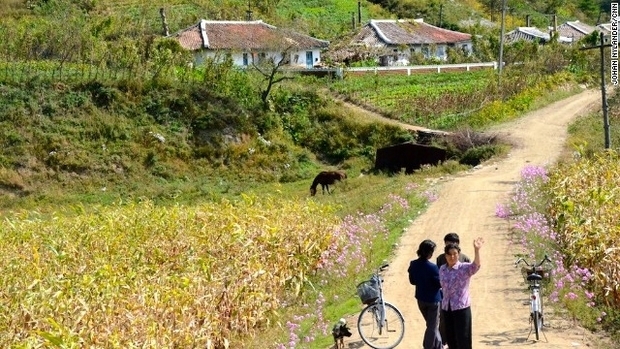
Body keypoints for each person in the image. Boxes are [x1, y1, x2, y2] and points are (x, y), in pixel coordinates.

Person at [439, 237, 484, 349]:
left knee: (463, 338)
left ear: (458, 254)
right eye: (449, 254)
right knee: (451, 338)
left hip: (461, 308)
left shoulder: (463, 268)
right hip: (447, 308)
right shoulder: (442, 269)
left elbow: (476, 266)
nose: (452, 257)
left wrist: (477, 250)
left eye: (454, 254)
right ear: (445, 256)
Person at [436, 232, 471, 348]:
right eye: (448, 242)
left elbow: (471, 270)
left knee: (462, 333)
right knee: (446, 325)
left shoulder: (464, 258)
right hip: (446, 298)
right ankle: (444, 342)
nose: (452, 256)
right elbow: (439, 275)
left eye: (454, 242)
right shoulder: (440, 259)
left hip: (460, 301)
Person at [408, 239, 443, 349]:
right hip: (433, 301)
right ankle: (428, 347)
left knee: (431, 325)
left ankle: (439, 346)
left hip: (421, 299)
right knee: (432, 327)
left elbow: (412, 281)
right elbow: (439, 284)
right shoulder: (433, 268)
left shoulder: (413, 264)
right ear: (430, 253)